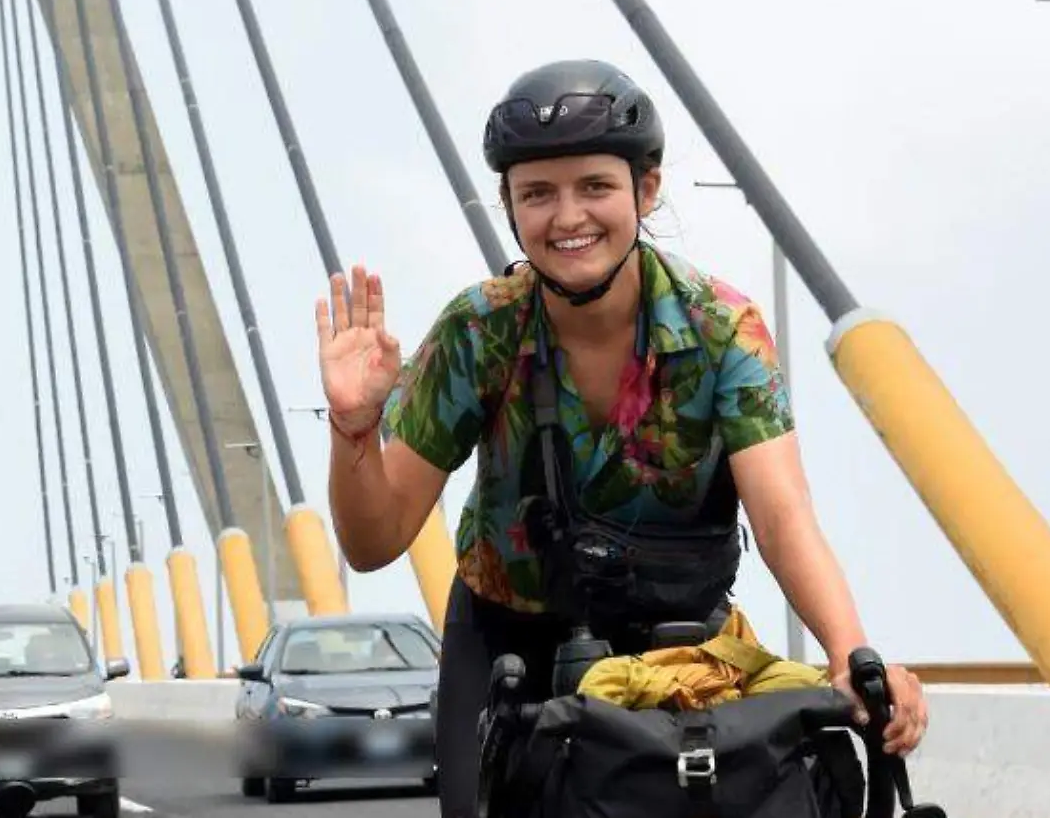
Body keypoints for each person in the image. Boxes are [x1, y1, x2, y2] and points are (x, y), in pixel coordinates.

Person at [313, 59, 927, 818]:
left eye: (595, 187)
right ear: (509, 206)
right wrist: (354, 425)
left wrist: (850, 657)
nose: (568, 216)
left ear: (645, 189)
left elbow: (782, 517)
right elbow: (374, 541)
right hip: (511, 644)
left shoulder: (720, 330)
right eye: (538, 193)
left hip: (679, 648)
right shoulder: (482, 329)